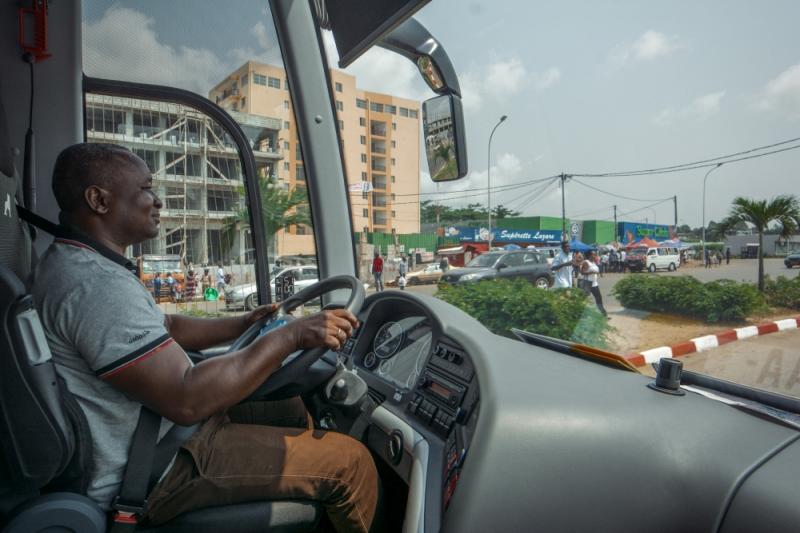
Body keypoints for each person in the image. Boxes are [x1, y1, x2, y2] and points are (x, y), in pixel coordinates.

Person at [30, 144, 377, 532]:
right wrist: (290, 336)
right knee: (350, 463)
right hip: (150, 467)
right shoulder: (94, 285)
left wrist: (244, 323)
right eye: (146, 188)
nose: (157, 201)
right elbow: (186, 398)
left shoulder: (84, 264)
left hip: (152, 429)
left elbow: (170, 329)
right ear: (99, 200)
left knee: (289, 406)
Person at [581, 251, 607, 316]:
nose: (595, 256)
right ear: (590, 255)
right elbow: (582, 272)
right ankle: (581, 314)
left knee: (599, 298)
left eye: (595, 255)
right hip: (588, 283)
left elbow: (596, 271)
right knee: (584, 299)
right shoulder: (586, 262)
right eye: (594, 255)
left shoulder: (593, 262)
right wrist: (591, 272)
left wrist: (598, 273)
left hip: (594, 283)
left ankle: (602, 314)